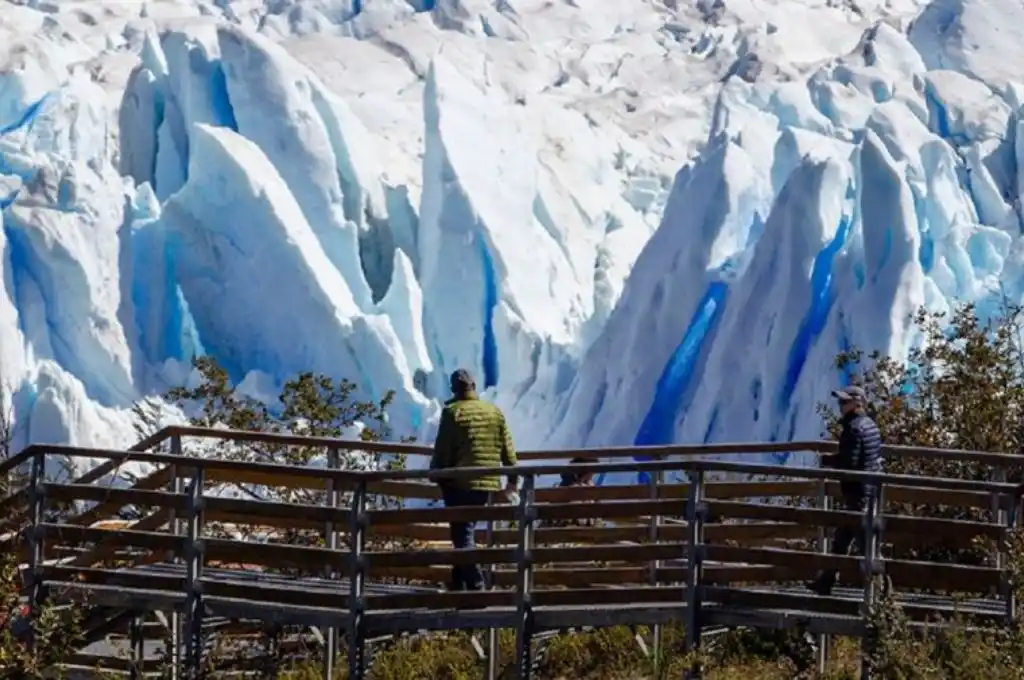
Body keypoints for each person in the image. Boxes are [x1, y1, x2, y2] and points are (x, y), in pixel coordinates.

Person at [430, 369, 518, 592]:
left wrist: (436, 474)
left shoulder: (452, 413)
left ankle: (477, 584)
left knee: (463, 536)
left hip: (459, 485)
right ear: (474, 386)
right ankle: (459, 587)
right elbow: (509, 454)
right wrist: (512, 482)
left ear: (453, 389)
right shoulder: (494, 412)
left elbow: (443, 452)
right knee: (462, 533)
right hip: (487, 485)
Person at [810, 384, 883, 596]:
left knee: (867, 547)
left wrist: (827, 461)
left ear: (856, 403)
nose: (840, 405)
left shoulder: (853, 428)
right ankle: (825, 582)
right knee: (842, 540)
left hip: (857, 494)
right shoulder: (870, 425)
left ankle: (884, 594)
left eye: (844, 401)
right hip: (870, 491)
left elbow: (849, 463)